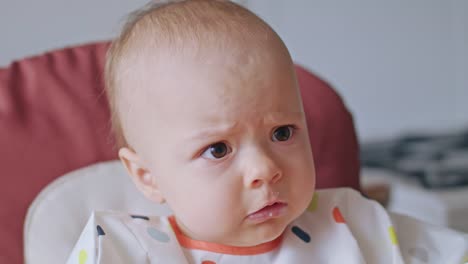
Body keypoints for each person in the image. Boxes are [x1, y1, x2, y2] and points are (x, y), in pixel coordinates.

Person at [66, 1, 467, 263]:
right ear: (147, 176)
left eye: (282, 132)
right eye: (218, 149)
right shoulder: (122, 250)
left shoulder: (354, 223)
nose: (265, 168)